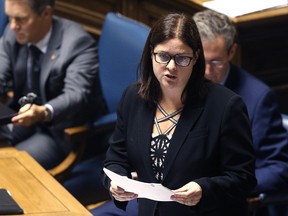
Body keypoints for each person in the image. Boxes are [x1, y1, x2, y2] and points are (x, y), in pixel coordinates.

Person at [102, 12, 256, 216]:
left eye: (182, 58)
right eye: (163, 56)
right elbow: (115, 160)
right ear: (151, 53)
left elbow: (244, 178)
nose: (171, 67)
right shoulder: (134, 97)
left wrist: (204, 190)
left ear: (195, 58)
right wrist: (115, 183)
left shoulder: (226, 106)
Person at [193, 9, 288, 216]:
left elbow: (277, 168)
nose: (207, 72)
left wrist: (224, 186)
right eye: (201, 60)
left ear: (231, 52)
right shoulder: (177, 81)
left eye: (216, 62)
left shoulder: (258, 99)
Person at [0, 0, 107, 169]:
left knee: (8, 167)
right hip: (19, 116)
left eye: (20, 19)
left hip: (57, 131)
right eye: (9, 18)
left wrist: (42, 112)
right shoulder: (14, 31)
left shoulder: (77, 43)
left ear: (46, 13)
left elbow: (76, 94)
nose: (13, 26)